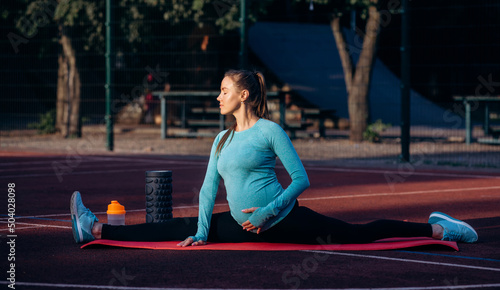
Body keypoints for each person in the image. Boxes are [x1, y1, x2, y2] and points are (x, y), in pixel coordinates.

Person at [70, 70, 478, 246]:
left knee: (359, 233)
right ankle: (98, 231)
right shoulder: (220, 139)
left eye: (224, 91)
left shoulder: (270, 130)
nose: (218, 97)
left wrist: (266, 213)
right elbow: (210, 186)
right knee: (173, 226)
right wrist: (202, 230)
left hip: (282, 219)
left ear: (243, 95)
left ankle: (437, 229)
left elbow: (300, 179)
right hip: (239, 224)